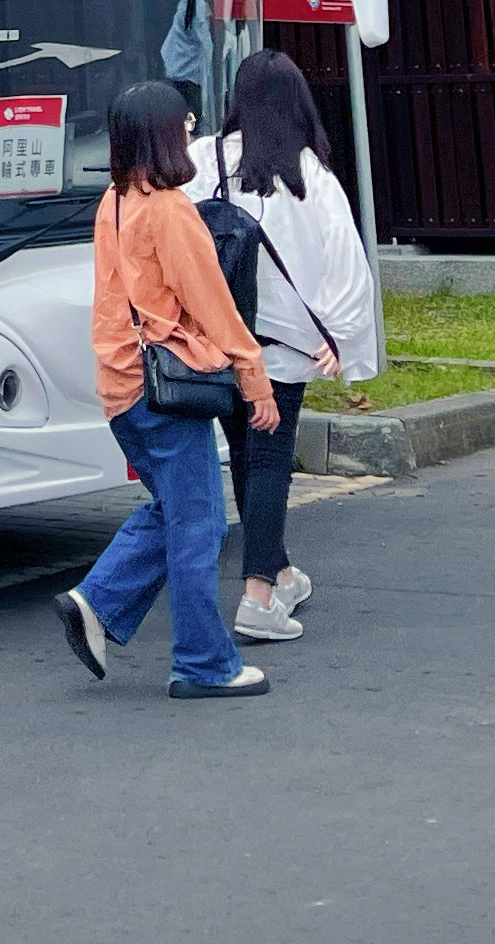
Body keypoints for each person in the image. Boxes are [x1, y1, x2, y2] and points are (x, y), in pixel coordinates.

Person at [51, 80, 270, 700]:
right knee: (200, 524)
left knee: (177, 509)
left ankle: (96, 602)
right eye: (186, 124)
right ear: (168, 136)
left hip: (123, 389)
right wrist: (254, 378)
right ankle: (202, 664)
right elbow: (214, 304)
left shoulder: (115, 201)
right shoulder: (170, 210)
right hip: (165, 391)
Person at [192, 51, 378, 643]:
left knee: (246, 459)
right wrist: (340, 334)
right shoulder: (307, 173)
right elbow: (346, 259)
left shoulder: (206, 161)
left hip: (220, 341)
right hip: (285, 346)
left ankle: (279, 573)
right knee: (270, 461)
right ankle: (259, 598)